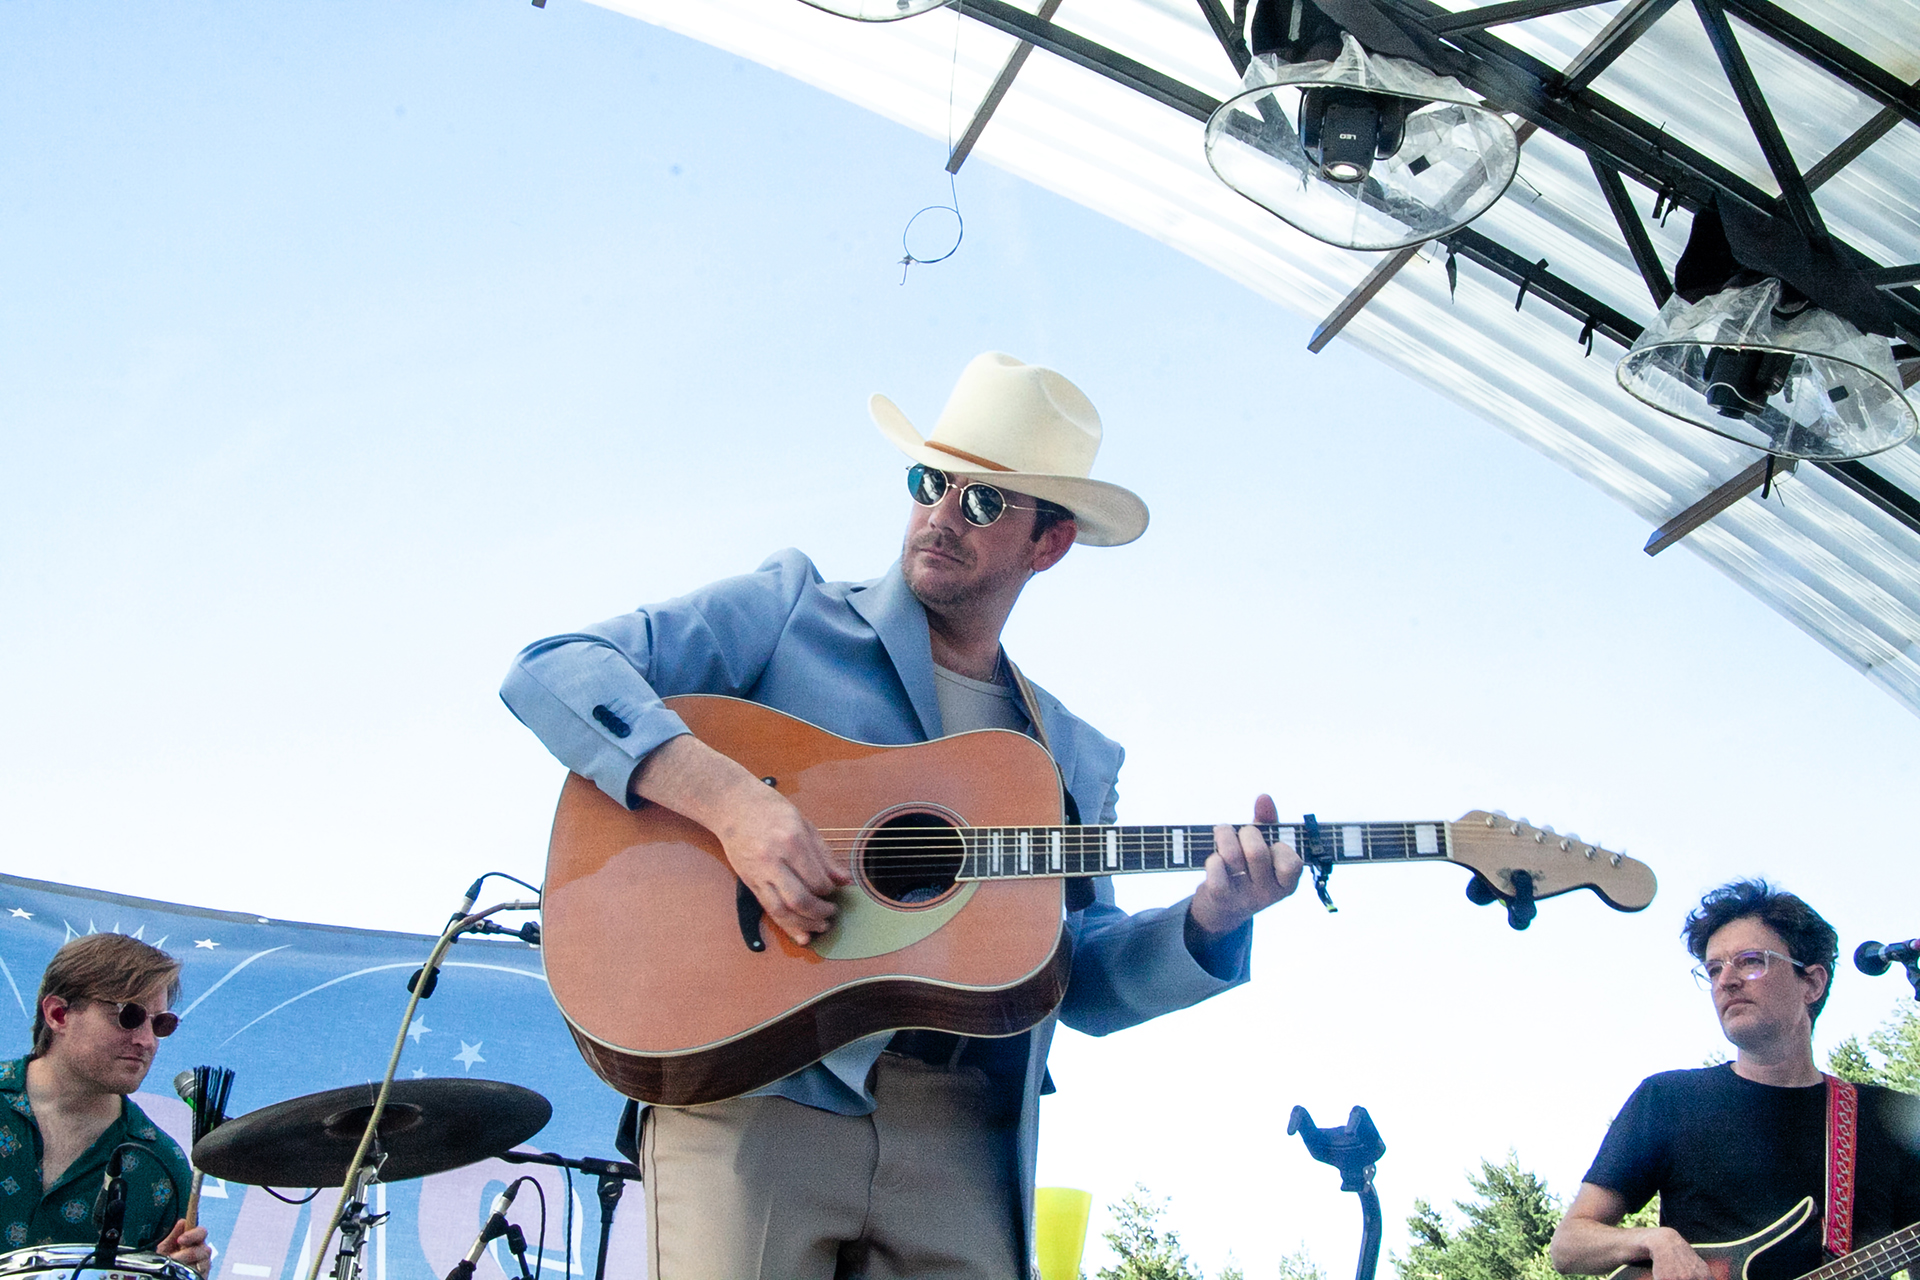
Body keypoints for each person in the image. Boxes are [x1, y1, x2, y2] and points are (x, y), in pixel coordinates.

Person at [501, 351, 1303, 1279]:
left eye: (985, 502)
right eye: (932, 482)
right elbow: (555, 668)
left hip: (962, 1141)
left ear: (1049, 543)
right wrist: (731, 805)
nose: (941, 515)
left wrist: (1214, 920)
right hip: (757, 1095)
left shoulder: (1073, 755)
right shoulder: (790, 610)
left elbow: (1078, 978)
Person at [1550, 880, 1920, 1280]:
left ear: (1812, 983)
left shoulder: (1889, 1119)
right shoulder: (1669, 1099)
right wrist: (1656, 1241)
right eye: (1713, 969)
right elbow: (1569, 1247)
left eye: (1749, 961)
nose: (1725, 980)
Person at [0, 932, 210, 1272]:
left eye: (161, 1024)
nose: (145, 1040)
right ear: (58, 1014)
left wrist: (178, 1272)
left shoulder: (162, 1167)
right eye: (128, 1016)